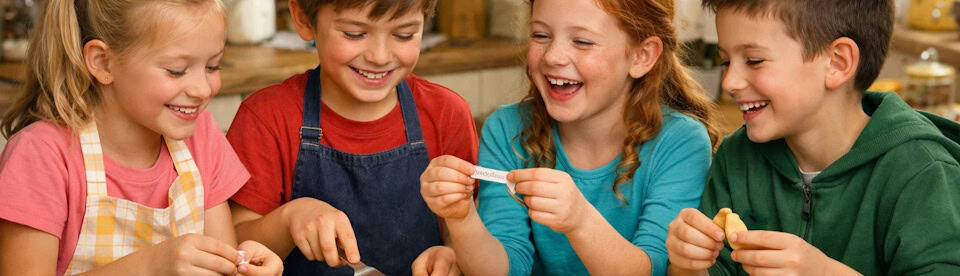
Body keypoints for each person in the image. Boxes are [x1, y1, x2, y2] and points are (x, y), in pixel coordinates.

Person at [420, 0, 721, 275]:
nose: (553, 56)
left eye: (582, 41)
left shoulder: (681, 142)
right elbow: (503, 269)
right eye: (540, 35)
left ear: (642, 56)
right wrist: (461, 217)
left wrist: (580, 221)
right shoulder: (506, 129)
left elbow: (654, 269)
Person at [665, 0, 960, 275]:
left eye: (754, 60)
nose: (729, 81)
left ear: (837, 62)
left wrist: (825, 272)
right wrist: (687, 265)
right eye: (726, 61)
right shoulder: (736, 158)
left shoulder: (923, 172)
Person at [0, 0, 282, 275]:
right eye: (176, 70)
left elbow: (221, 261)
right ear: (103, 63)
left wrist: (242, 266)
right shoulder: (41, 155)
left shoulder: (202, 136)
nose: (202, 89)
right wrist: (149, 266)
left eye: (213, 66)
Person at [225, 0, 477, 275]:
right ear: (304, 19)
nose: (380, 56)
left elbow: (469, 224)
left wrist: (452, 255)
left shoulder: (446, 113)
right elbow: (233, 245)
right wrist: (289, 219)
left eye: (404, 34)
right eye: (354, 34)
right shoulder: (266, 118)